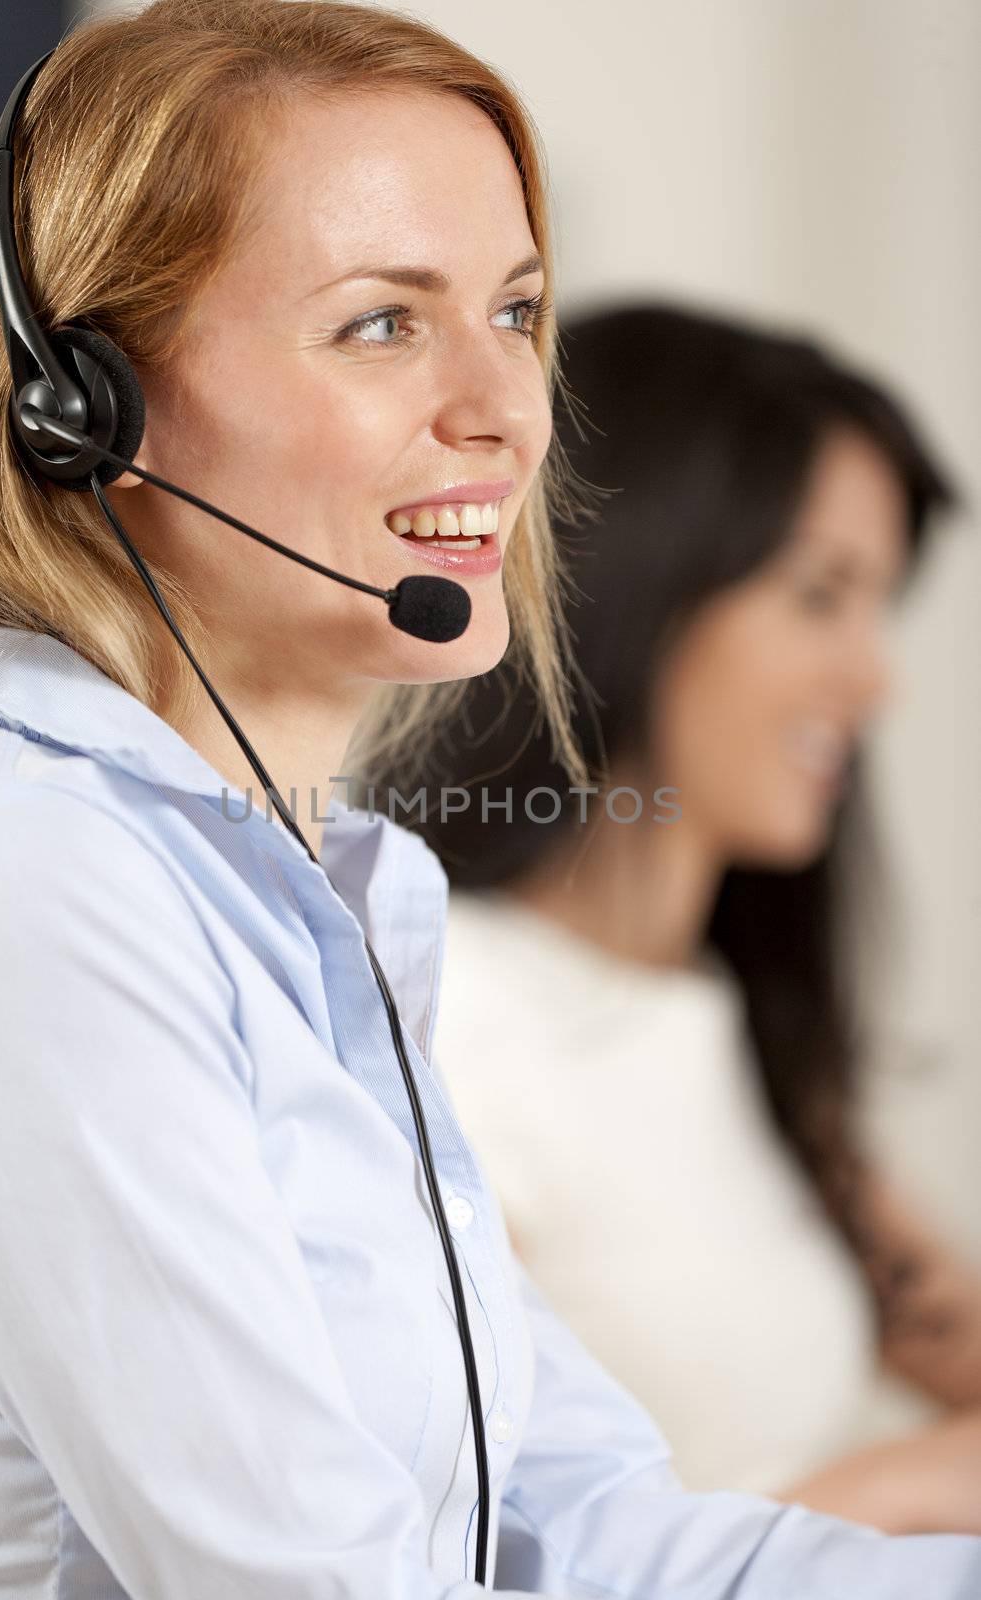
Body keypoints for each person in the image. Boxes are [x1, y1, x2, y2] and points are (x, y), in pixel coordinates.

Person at [0, 4, 977, 1593]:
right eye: (380, 325)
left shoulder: (338, 904)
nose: (504, 406)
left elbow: (583, 1528)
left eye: (516, 309)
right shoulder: (31, 883)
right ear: (93, 408)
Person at [417, 302, 981, 1537]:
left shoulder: (724, 1024)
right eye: (819, 593)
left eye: (877, 601)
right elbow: (452, 1556)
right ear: (643, 575)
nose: (873, 676)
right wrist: (883, 1503)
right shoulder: (447, 1019)